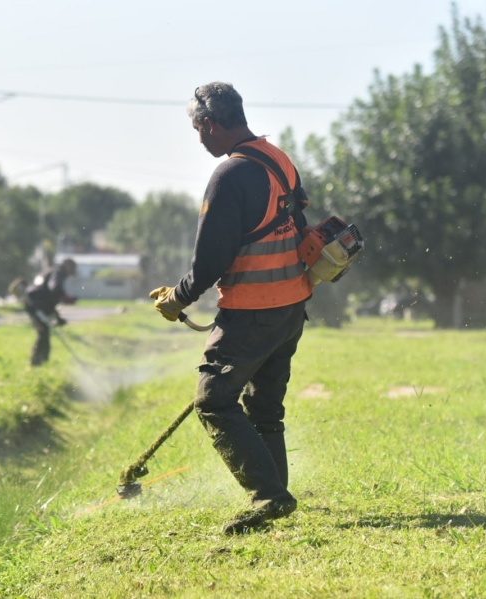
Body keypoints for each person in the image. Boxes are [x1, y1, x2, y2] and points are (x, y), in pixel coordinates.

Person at [149, 82, 313, 534]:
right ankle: (276, 497)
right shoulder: (278, 159)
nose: (198, 139)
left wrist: (178, 297)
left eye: (197, 130)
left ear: (209, 124)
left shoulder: (230, 175)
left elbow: (211, 260)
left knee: (213, 399)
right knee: (264, 408)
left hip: (252, 310)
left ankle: (269, 496)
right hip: (291, 305)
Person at [23, 258, 77, 366]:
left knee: (44, 332)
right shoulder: (58, 273)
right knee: (43, 332)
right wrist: (67, 298)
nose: (73, 272)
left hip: (35, 303)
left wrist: (57, 317)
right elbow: (54, 290)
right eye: (73, 268)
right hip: (35, 304)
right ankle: (36, 361)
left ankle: (40, 361)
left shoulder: (54, 271)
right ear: (68, 266)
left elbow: (50, 299)